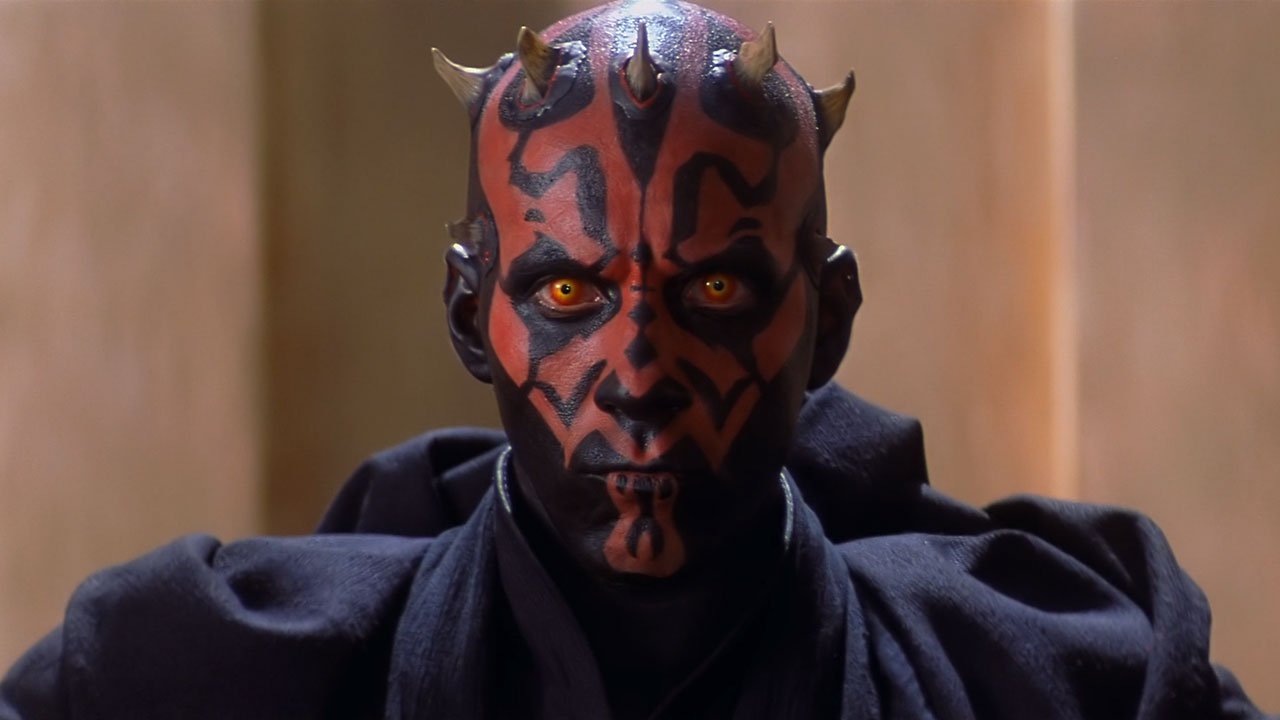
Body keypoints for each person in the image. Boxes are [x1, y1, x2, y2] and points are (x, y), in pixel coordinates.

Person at [1, 1, 1273, 718]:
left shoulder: (1064, 682)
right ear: (470, 316)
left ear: (825, 324)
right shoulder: (201, 674)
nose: (641, 371)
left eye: (714, 290)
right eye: (567, 292)